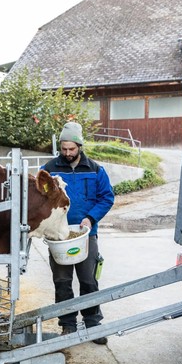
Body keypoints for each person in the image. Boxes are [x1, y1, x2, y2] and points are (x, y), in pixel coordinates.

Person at [42, 122, 114, 345]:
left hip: (85, 234)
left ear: (80, 146)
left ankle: (93, 323)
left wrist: (90, 218)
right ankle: (68, 325)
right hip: (58, 235)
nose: (67, 153)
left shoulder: (95, 170)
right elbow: (39, 198)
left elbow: (107, 198)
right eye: (64, 149)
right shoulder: (49, 170)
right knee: (62, 280)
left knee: (88, 280)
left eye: (71, 149)